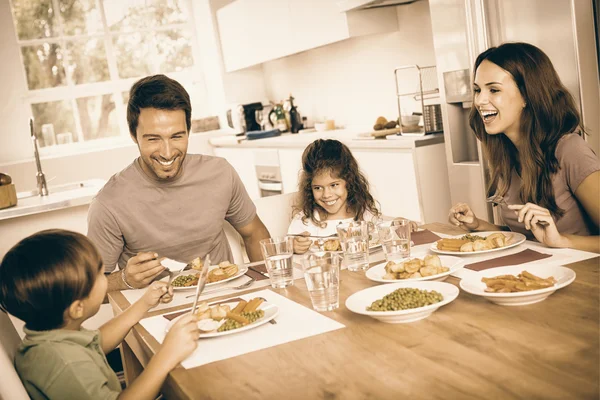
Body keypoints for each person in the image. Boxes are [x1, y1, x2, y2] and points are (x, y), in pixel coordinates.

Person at [88, 75, 270, 291]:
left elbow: (254, 233)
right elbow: (91, 291)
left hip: (225, 298)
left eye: (176, 136)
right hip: (156, 311)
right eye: (153, 139)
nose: (167, 152)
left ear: (188, 130)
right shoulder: (109, 202)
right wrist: (125, 279)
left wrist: (269, 285)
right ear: (133, 135)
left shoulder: (220, 173)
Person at [0, 230, 200, 400]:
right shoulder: (66, 363)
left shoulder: (50, 340)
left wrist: (144, 302)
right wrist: (166, 356)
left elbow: (97, 342)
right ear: (77, 308)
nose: (105, 276)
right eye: (99, 273)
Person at [448, 42, 599, 253]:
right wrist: (478, 226)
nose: (480, 100)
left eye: (493, 89)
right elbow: (528, 237)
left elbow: (552, 240)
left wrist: (562, 240)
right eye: (477, 90)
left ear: (527, 95)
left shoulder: (570, 150)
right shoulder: (506, 152)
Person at [289, 139, 416, 254]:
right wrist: (293, 246)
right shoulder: (305, 221)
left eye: (334, 185)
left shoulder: (363, 213)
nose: (326, 195)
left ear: (349, 182)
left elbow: (382, 232)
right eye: (318, 188)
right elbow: (286, 248)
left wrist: (396, 225)